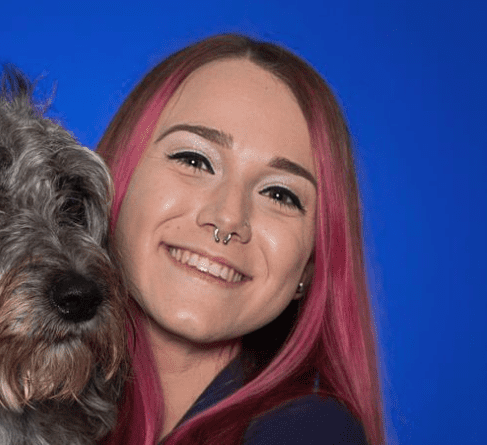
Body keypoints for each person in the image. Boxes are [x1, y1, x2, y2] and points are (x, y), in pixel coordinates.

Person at [96, 34, 384, 445]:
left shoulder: (309, 433)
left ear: (310, 265)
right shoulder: (28, 406)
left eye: (279, 194)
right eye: (194, 160)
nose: (228, 218)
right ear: (113, 179)